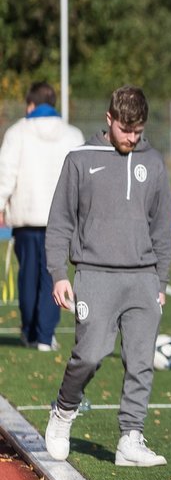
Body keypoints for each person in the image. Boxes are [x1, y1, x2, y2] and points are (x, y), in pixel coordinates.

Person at [42, 86, 171, 467]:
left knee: (140, 360)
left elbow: (163, 226)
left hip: (143, 278)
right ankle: (64, 411)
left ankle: (131, 437)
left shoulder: (154, 161)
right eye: (125, 129)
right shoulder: (80, 159)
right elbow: (60, 222)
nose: (131, 138)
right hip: (94, 275)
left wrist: (160, 282)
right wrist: (58, 274)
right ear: (109, 119)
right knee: (91, 354)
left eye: (138, 131)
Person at [0, 82, 85, 350]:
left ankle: (29, 331)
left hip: (27, 219)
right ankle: (46, 337)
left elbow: (6, 173)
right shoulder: (73, 134)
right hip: (62, 220)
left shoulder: (17, 132)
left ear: (31, 104)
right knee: (53, 276)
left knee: (28, 275)